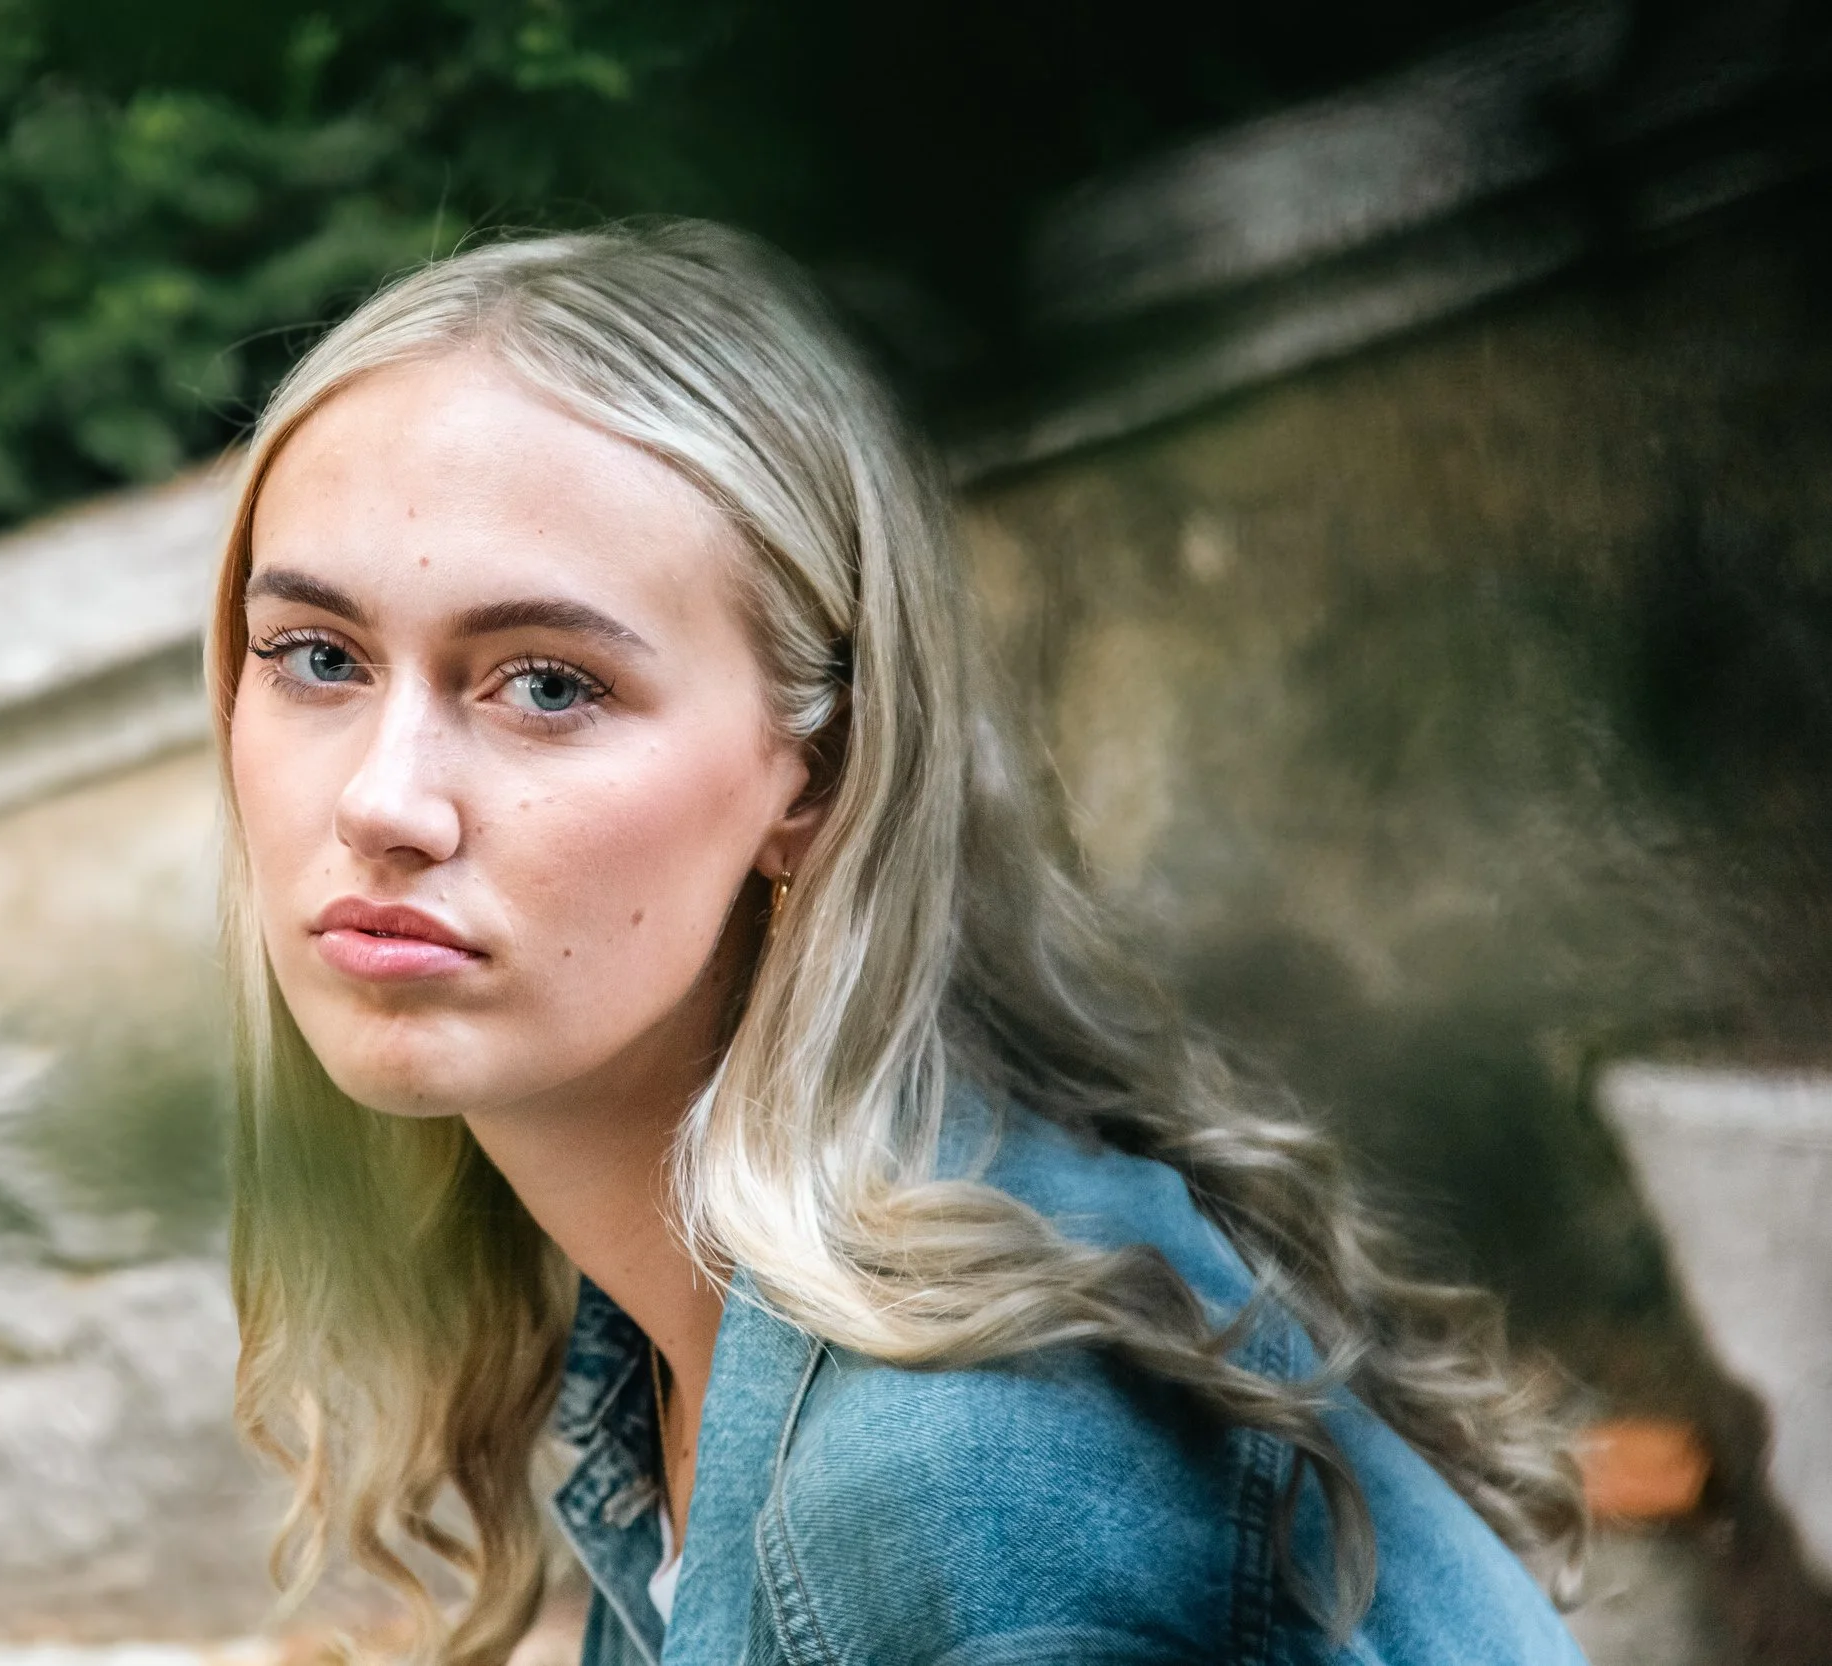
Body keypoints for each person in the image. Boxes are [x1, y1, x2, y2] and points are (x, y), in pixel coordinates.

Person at [209, 220, 1589, 1666]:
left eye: (548, 683)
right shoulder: (686, 1339)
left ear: (818, 771)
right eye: (317, 656)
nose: (383, 800)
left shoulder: (954, 1478)